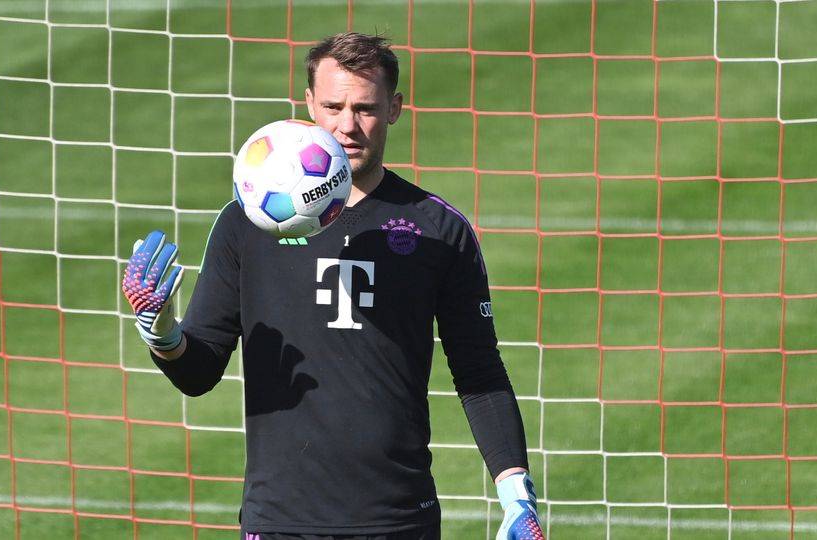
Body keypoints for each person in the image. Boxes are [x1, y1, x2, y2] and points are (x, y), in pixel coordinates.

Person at [122, 33, 544, 540]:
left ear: (394, 108)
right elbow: (199, 373)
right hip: (280, 519)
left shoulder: (438, 230)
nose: (348, 125)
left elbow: (479, 371)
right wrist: (164, 336)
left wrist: (517, 499)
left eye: (365, 108)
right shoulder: (247, 223)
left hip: (398, 519)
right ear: (308, 104)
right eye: (333, 107)